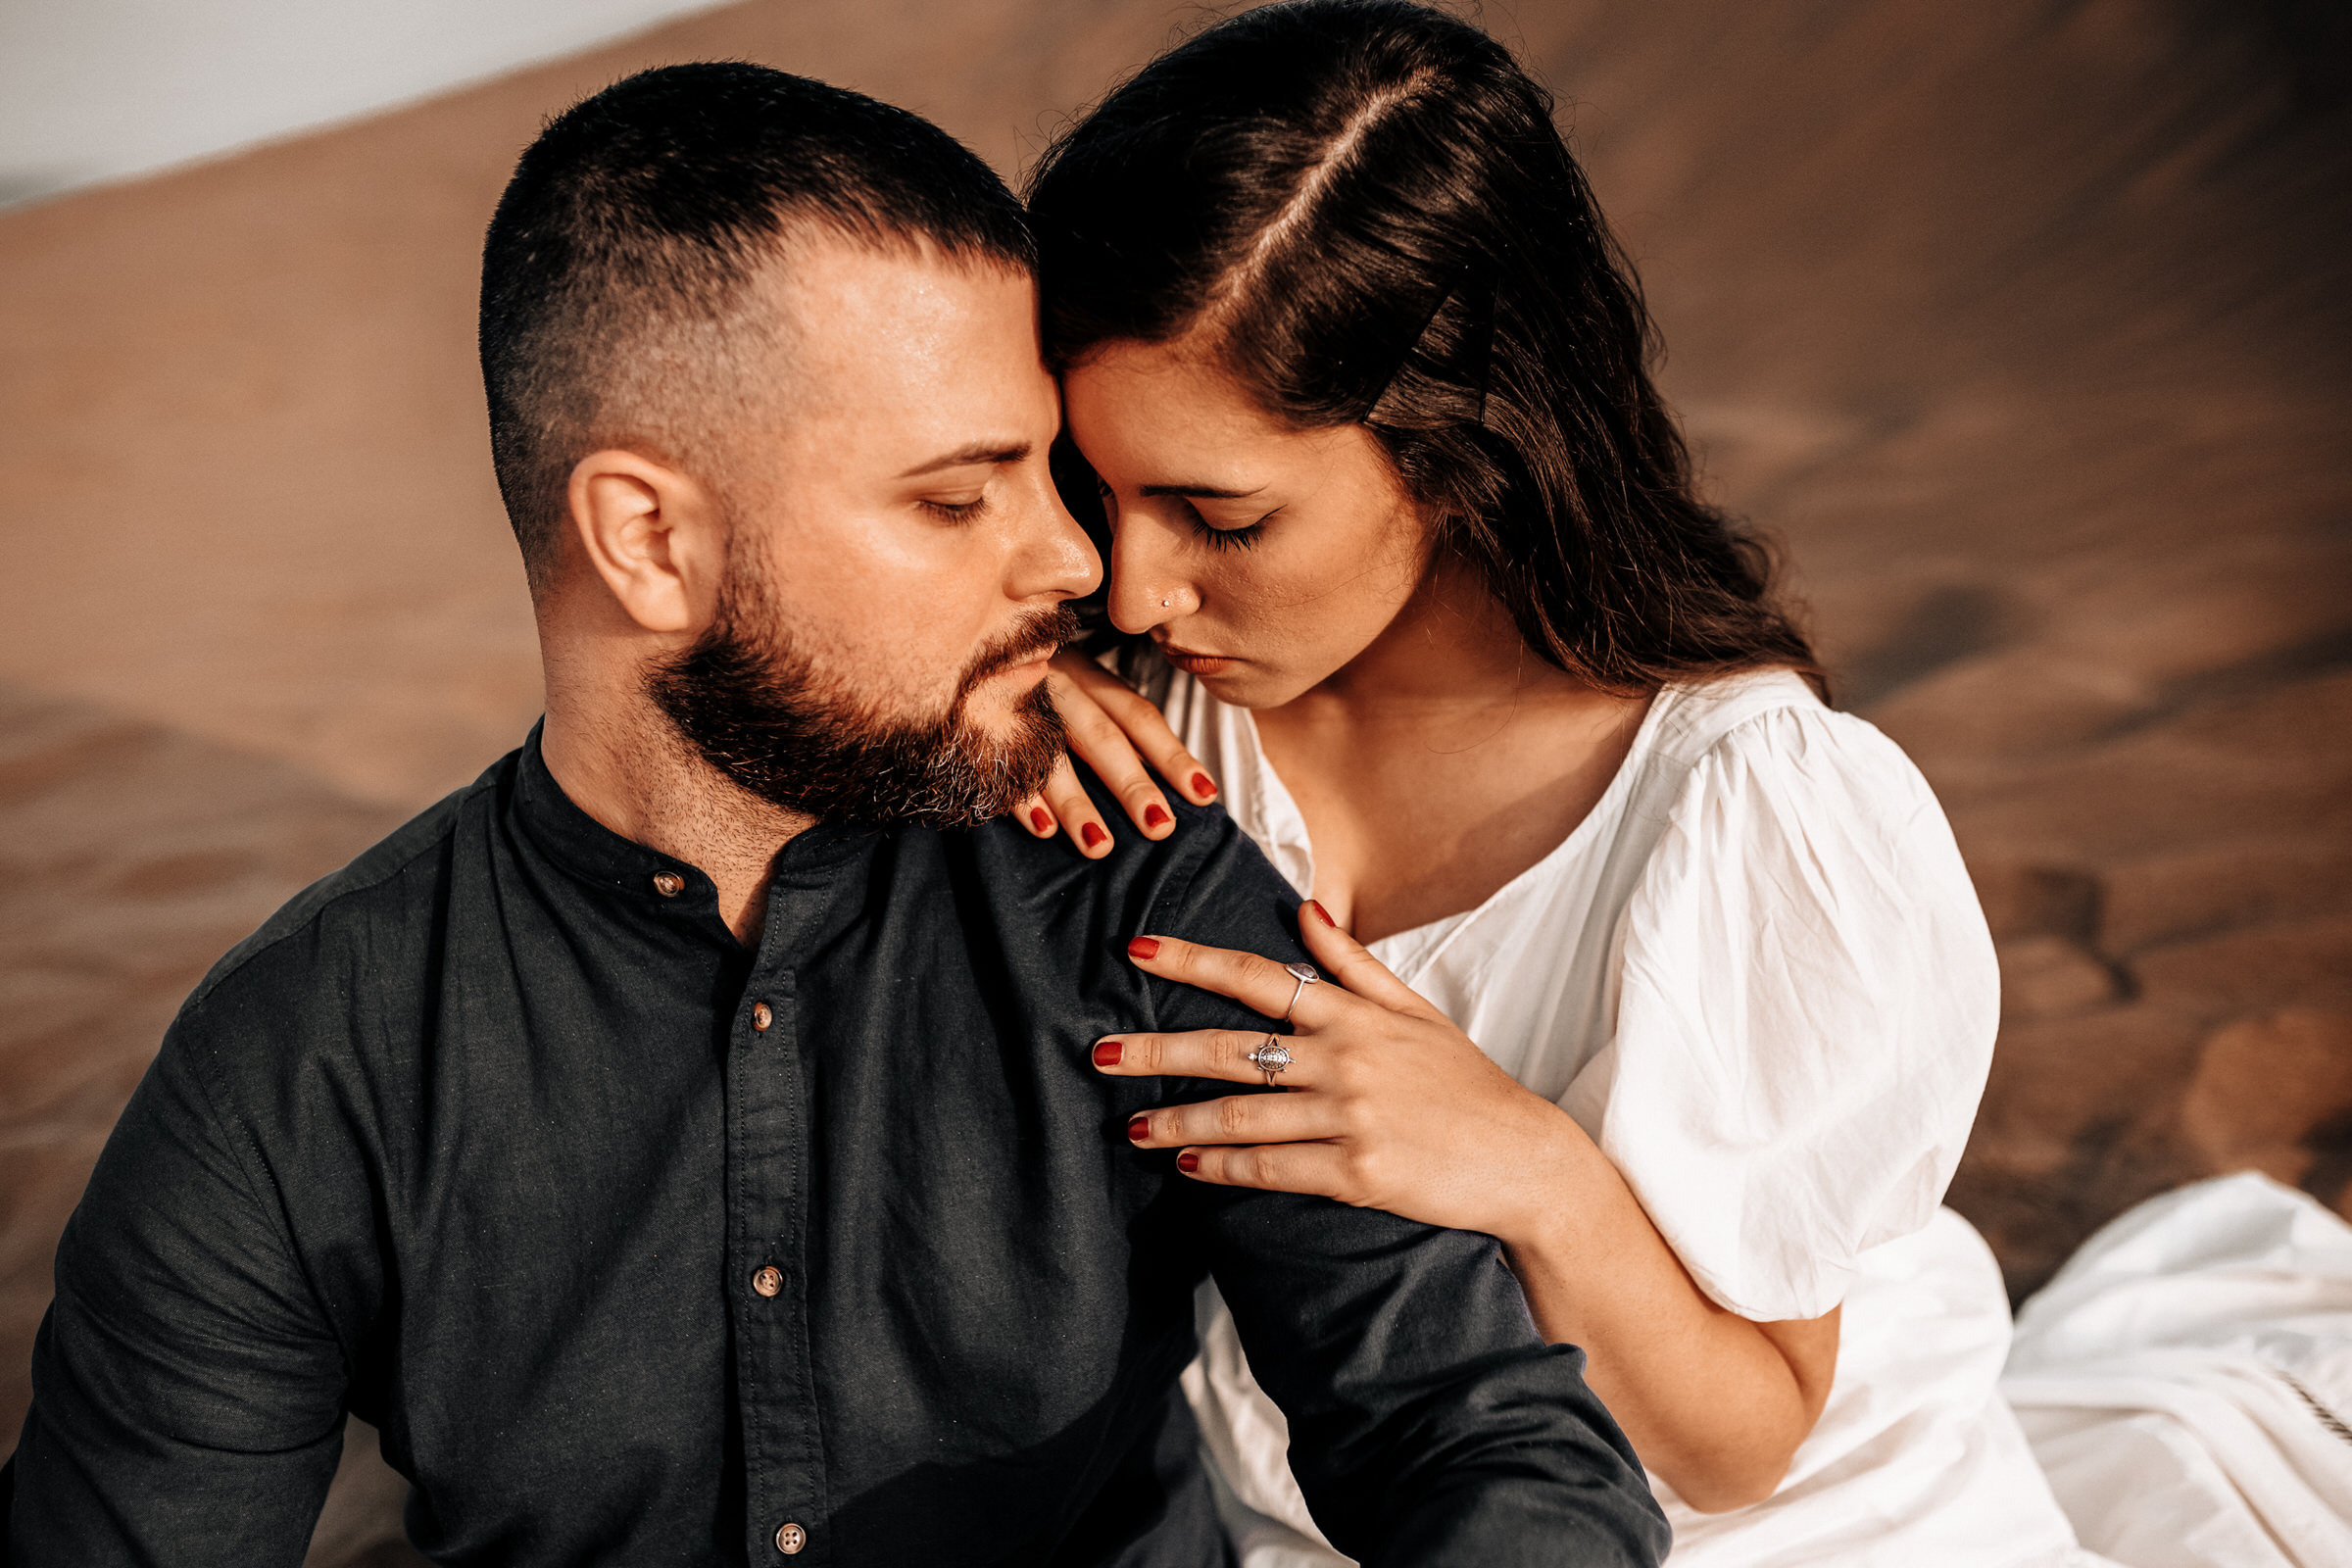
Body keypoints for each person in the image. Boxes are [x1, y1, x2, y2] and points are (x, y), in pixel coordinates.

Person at [0, 63, 1673, 1568]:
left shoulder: (1127, 892)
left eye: (1047, 477)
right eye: (955, 499)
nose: (1074, 562)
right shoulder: (307, 1067)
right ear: (651, 543)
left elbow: (1482, 1441)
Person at [1018, 4, 2105, 1563]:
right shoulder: (1140, 697)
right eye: (1094, 488)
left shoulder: (1745, 811)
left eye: (1224, 517)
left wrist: (1534, 1169)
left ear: (1460, 442)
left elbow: (1741, 1445)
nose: (1132, 586)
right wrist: (994, 678)